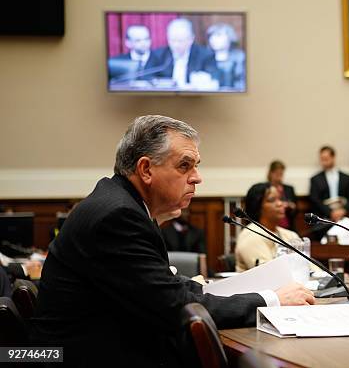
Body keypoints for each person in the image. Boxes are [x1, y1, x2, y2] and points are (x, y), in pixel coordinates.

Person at [30, 115, 313, 367]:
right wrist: (272, 299)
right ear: (146, 170)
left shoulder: (122, 204)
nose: (197, 178)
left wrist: (240, 294)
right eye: (185, 166)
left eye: (196, 166)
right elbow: (174, 306)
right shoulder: (117, 216)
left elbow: (164, 286)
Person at [235, 183, 301, 272]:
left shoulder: (290, 235)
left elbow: (310, 268)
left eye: (281, 199)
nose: (281, 204)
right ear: (257, 206)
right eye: (272, 200)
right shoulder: (251, 235)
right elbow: (270, 274)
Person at [149, 18, 220, 89]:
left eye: (180, 41)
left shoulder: (205, 55)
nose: (176, 45)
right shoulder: (158, 55)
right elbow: (146, 78)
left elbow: (214, 82)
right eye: (172, 40)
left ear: (191, 39)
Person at [308, 146, 349, 240]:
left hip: (344, 216)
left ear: (333, 157)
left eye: (326, 159)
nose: (324, 162)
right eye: (322, 159)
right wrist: (330, 212)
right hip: (324, 218)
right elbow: (314, 199)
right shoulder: (315, 179)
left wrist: (343, 210)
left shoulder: (346, 178)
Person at [206, 23, 245, 90]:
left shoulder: (240, 57)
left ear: (230, 38)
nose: (213, 39)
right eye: (211, 36)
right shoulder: (205, 57)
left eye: (218, 35)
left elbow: (243, 83)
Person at [266, 160, 297, 230]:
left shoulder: (289, 189)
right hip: (271, 226)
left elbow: (295, 209)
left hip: (288, 225)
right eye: (277, 174)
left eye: (281, 174)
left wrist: (291, 206)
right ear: (271, 173)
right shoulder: (265, 189)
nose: (279, 176)